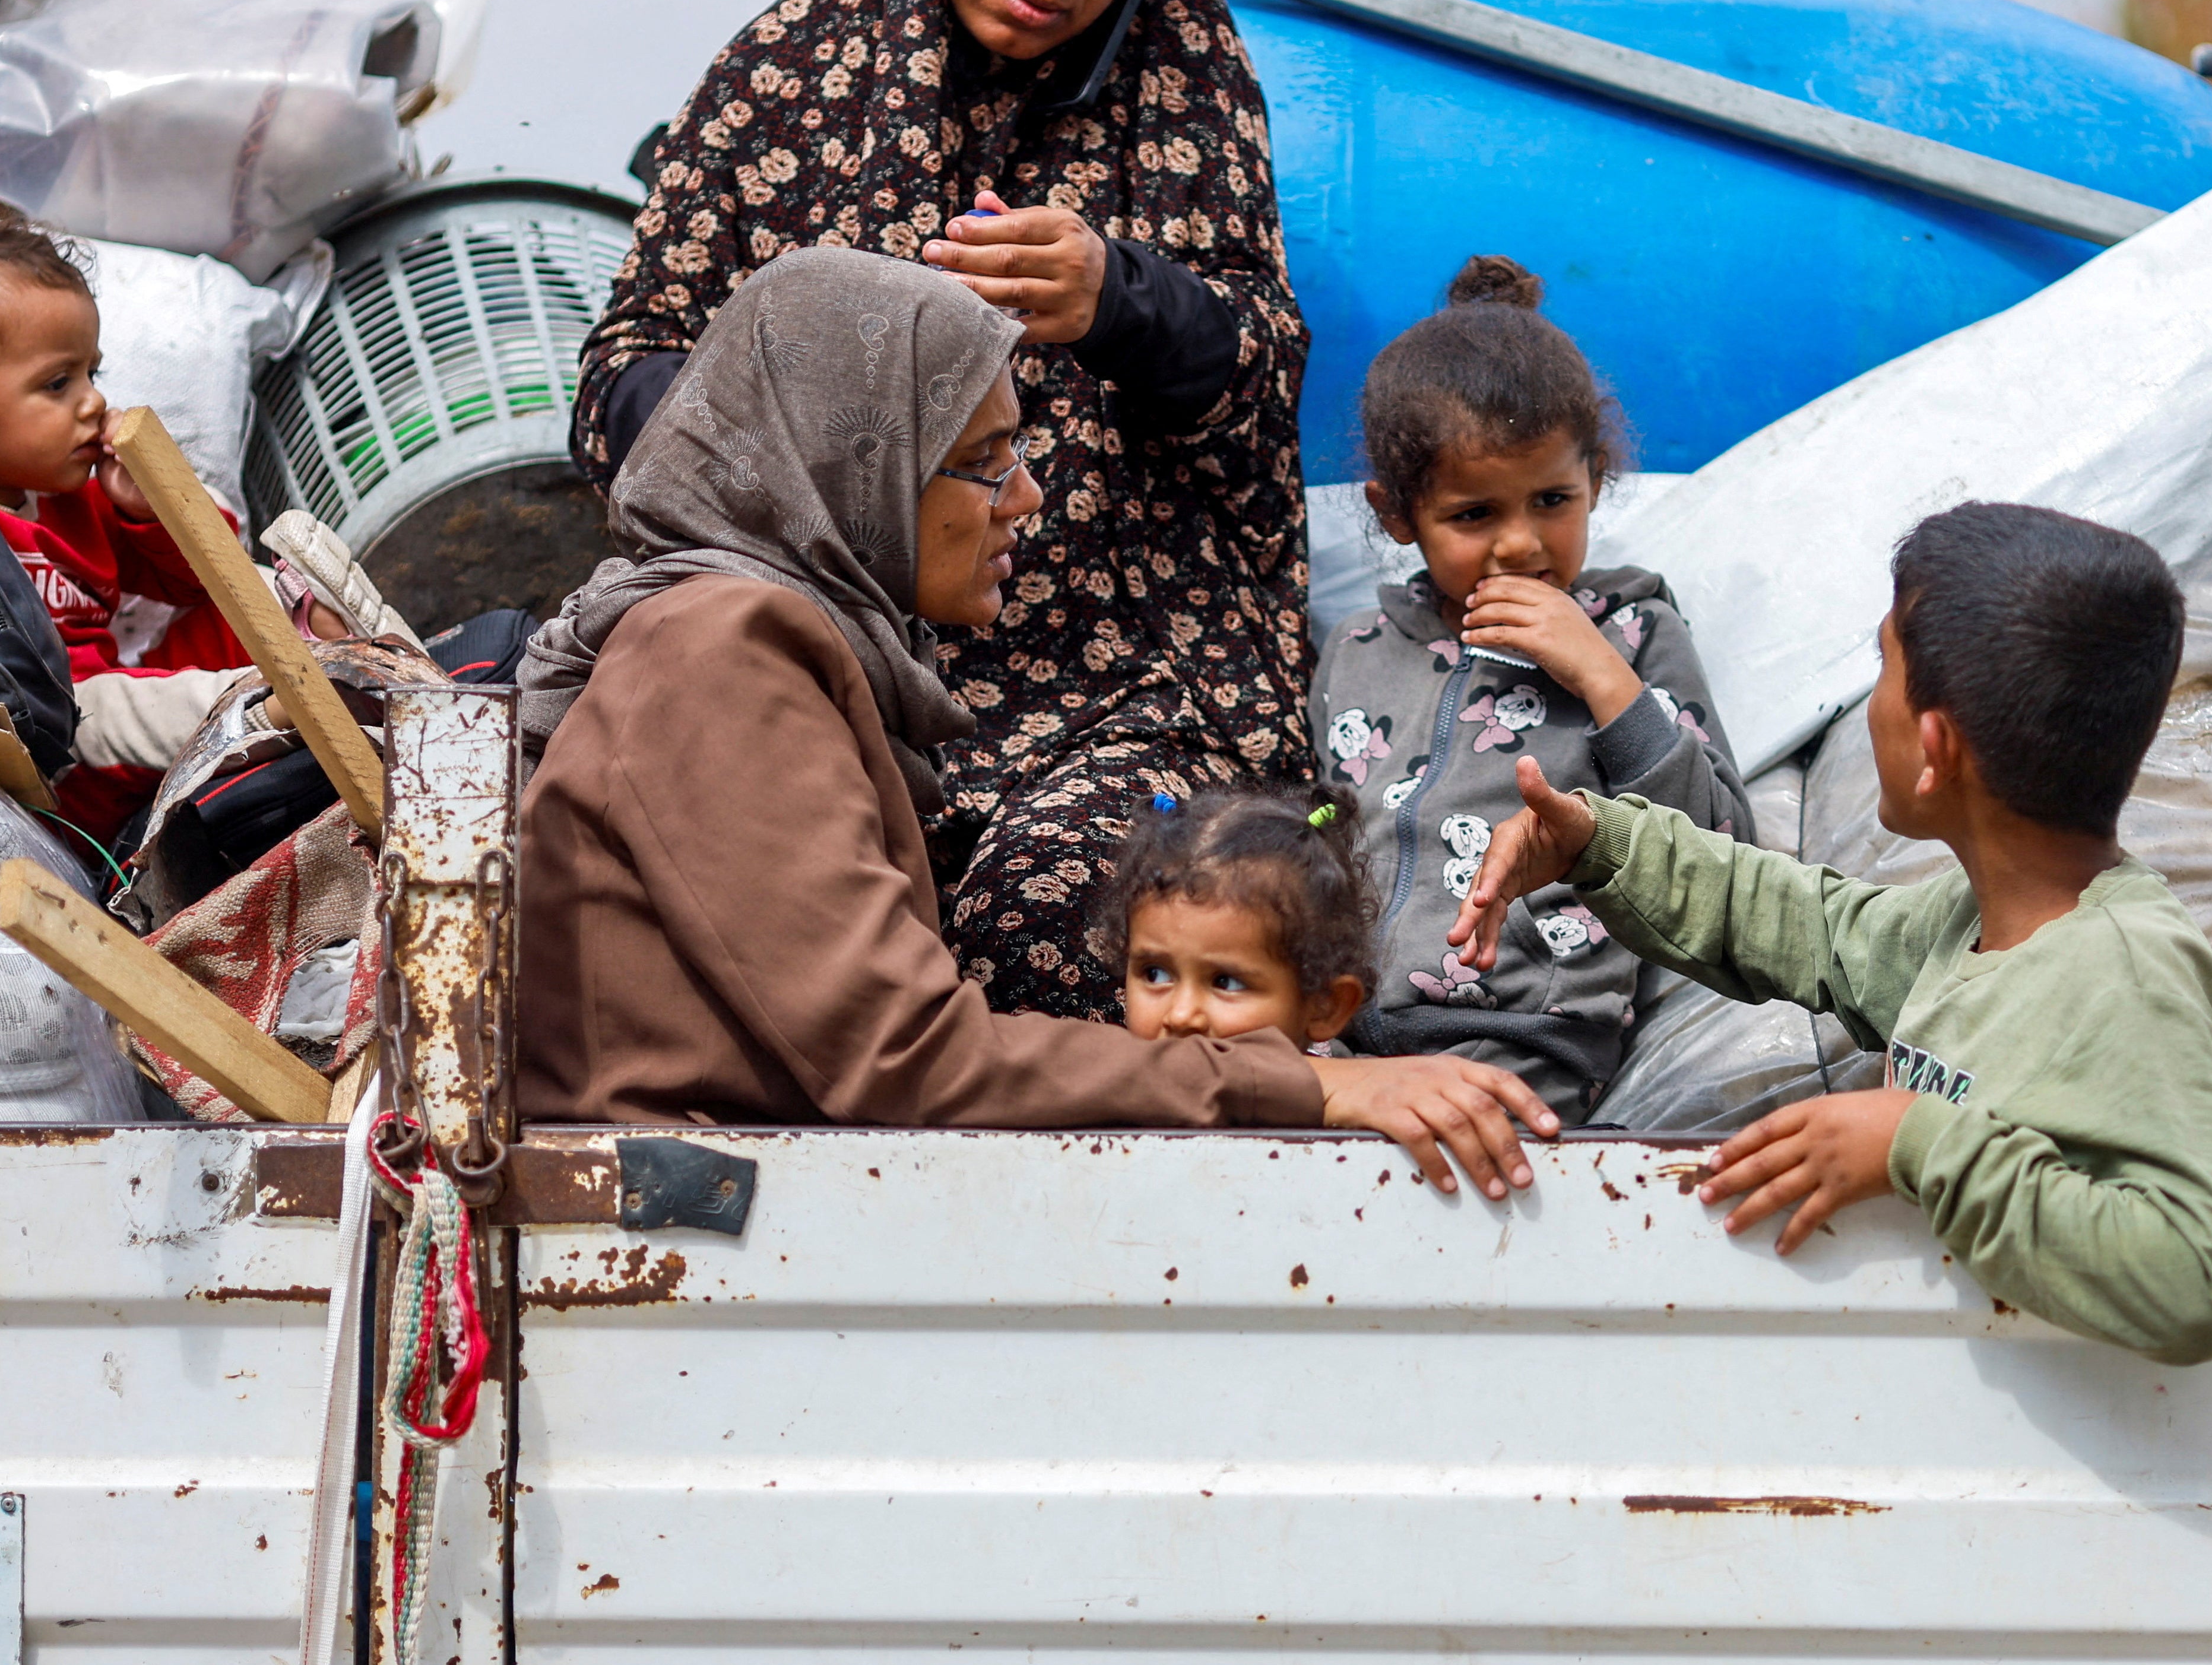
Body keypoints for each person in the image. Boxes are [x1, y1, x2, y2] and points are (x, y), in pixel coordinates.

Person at [573, 0, 1316, 1023]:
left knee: (1060, 926)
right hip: (818, 672)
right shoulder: (779, 82)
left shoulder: (1185, 82)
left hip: (1124, 692)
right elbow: (621, 385)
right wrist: (816, 392)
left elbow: (1260, 398)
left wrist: (1122, 296)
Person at [519, 246, 1556, 1197]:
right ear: (860, 468)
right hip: (680, 1229)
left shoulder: (764, 637)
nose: (1026, 497)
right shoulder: (723, 648)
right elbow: (904, 1061)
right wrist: (1303, 1090)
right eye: (981, 460)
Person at [1450, 502, 2212, 1365]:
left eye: (1883, 664)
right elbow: (1805, 922)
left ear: (1933, 748)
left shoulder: (2126, 972)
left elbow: (2196, 1275)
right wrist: (1598, 840)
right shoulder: (1973, 929)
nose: (1866, 698)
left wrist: (1913, 1138)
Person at [1313, 255, 1751, 1122]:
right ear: (1397, 513)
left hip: (1526, 1037)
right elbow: (1323, 822)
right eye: (1475, 514)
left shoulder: (1633, 634)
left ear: (1596, 476)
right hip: (1339, 1038)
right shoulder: (1356, 648)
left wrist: (1600, 675)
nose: (1520, 543)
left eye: (1552, 498)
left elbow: (1722, 843)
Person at [0, 215, 254, 841]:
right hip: (62, 752)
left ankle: (327, 668)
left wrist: (145, 508)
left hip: (126, 700)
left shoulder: (73, 498)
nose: (93, 401)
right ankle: (273, 707)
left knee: (265, 596)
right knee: (156, 706)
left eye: (92, 373)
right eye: (58, 382)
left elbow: (203, 581)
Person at [1094, 784, 1376, 1052]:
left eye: (1226, 982)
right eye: (1155, 974)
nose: (1180, 1016)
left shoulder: (1335, 1102)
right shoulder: (1111, 1092)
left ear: (1325, 1006)